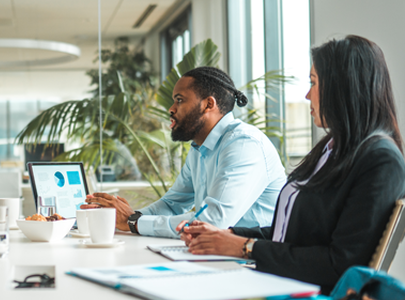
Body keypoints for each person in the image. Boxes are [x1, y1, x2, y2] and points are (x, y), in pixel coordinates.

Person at [177, 35, 405, 295]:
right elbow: (291, 231)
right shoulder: (333, 149)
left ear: (343, 87)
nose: (308, 95)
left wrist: (245, 246)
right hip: (279, 281)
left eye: (314, 83)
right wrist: (227, 234)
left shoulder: (380, 160)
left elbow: (341, 264)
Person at [82, 66, 286, 238]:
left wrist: (134, 221)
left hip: (251, 262)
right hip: (217, 254)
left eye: (179, 100)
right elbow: (172, 204)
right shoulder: (199, 148)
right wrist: (124, 217)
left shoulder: (243, 145)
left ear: (208, 104)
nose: (171, 109)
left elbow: (213, 221)